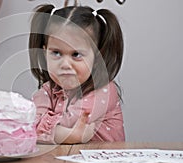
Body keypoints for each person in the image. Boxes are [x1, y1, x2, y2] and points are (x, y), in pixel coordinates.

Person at [29, 4, 125, 144]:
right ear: (45, 53)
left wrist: (43, 131)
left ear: (97, 57)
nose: (65, 64)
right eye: (56, 52)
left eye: (76, 54)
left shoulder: (103, 90)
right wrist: (61, 135)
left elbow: (69, 123)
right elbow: (28, 123)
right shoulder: (48, 90)